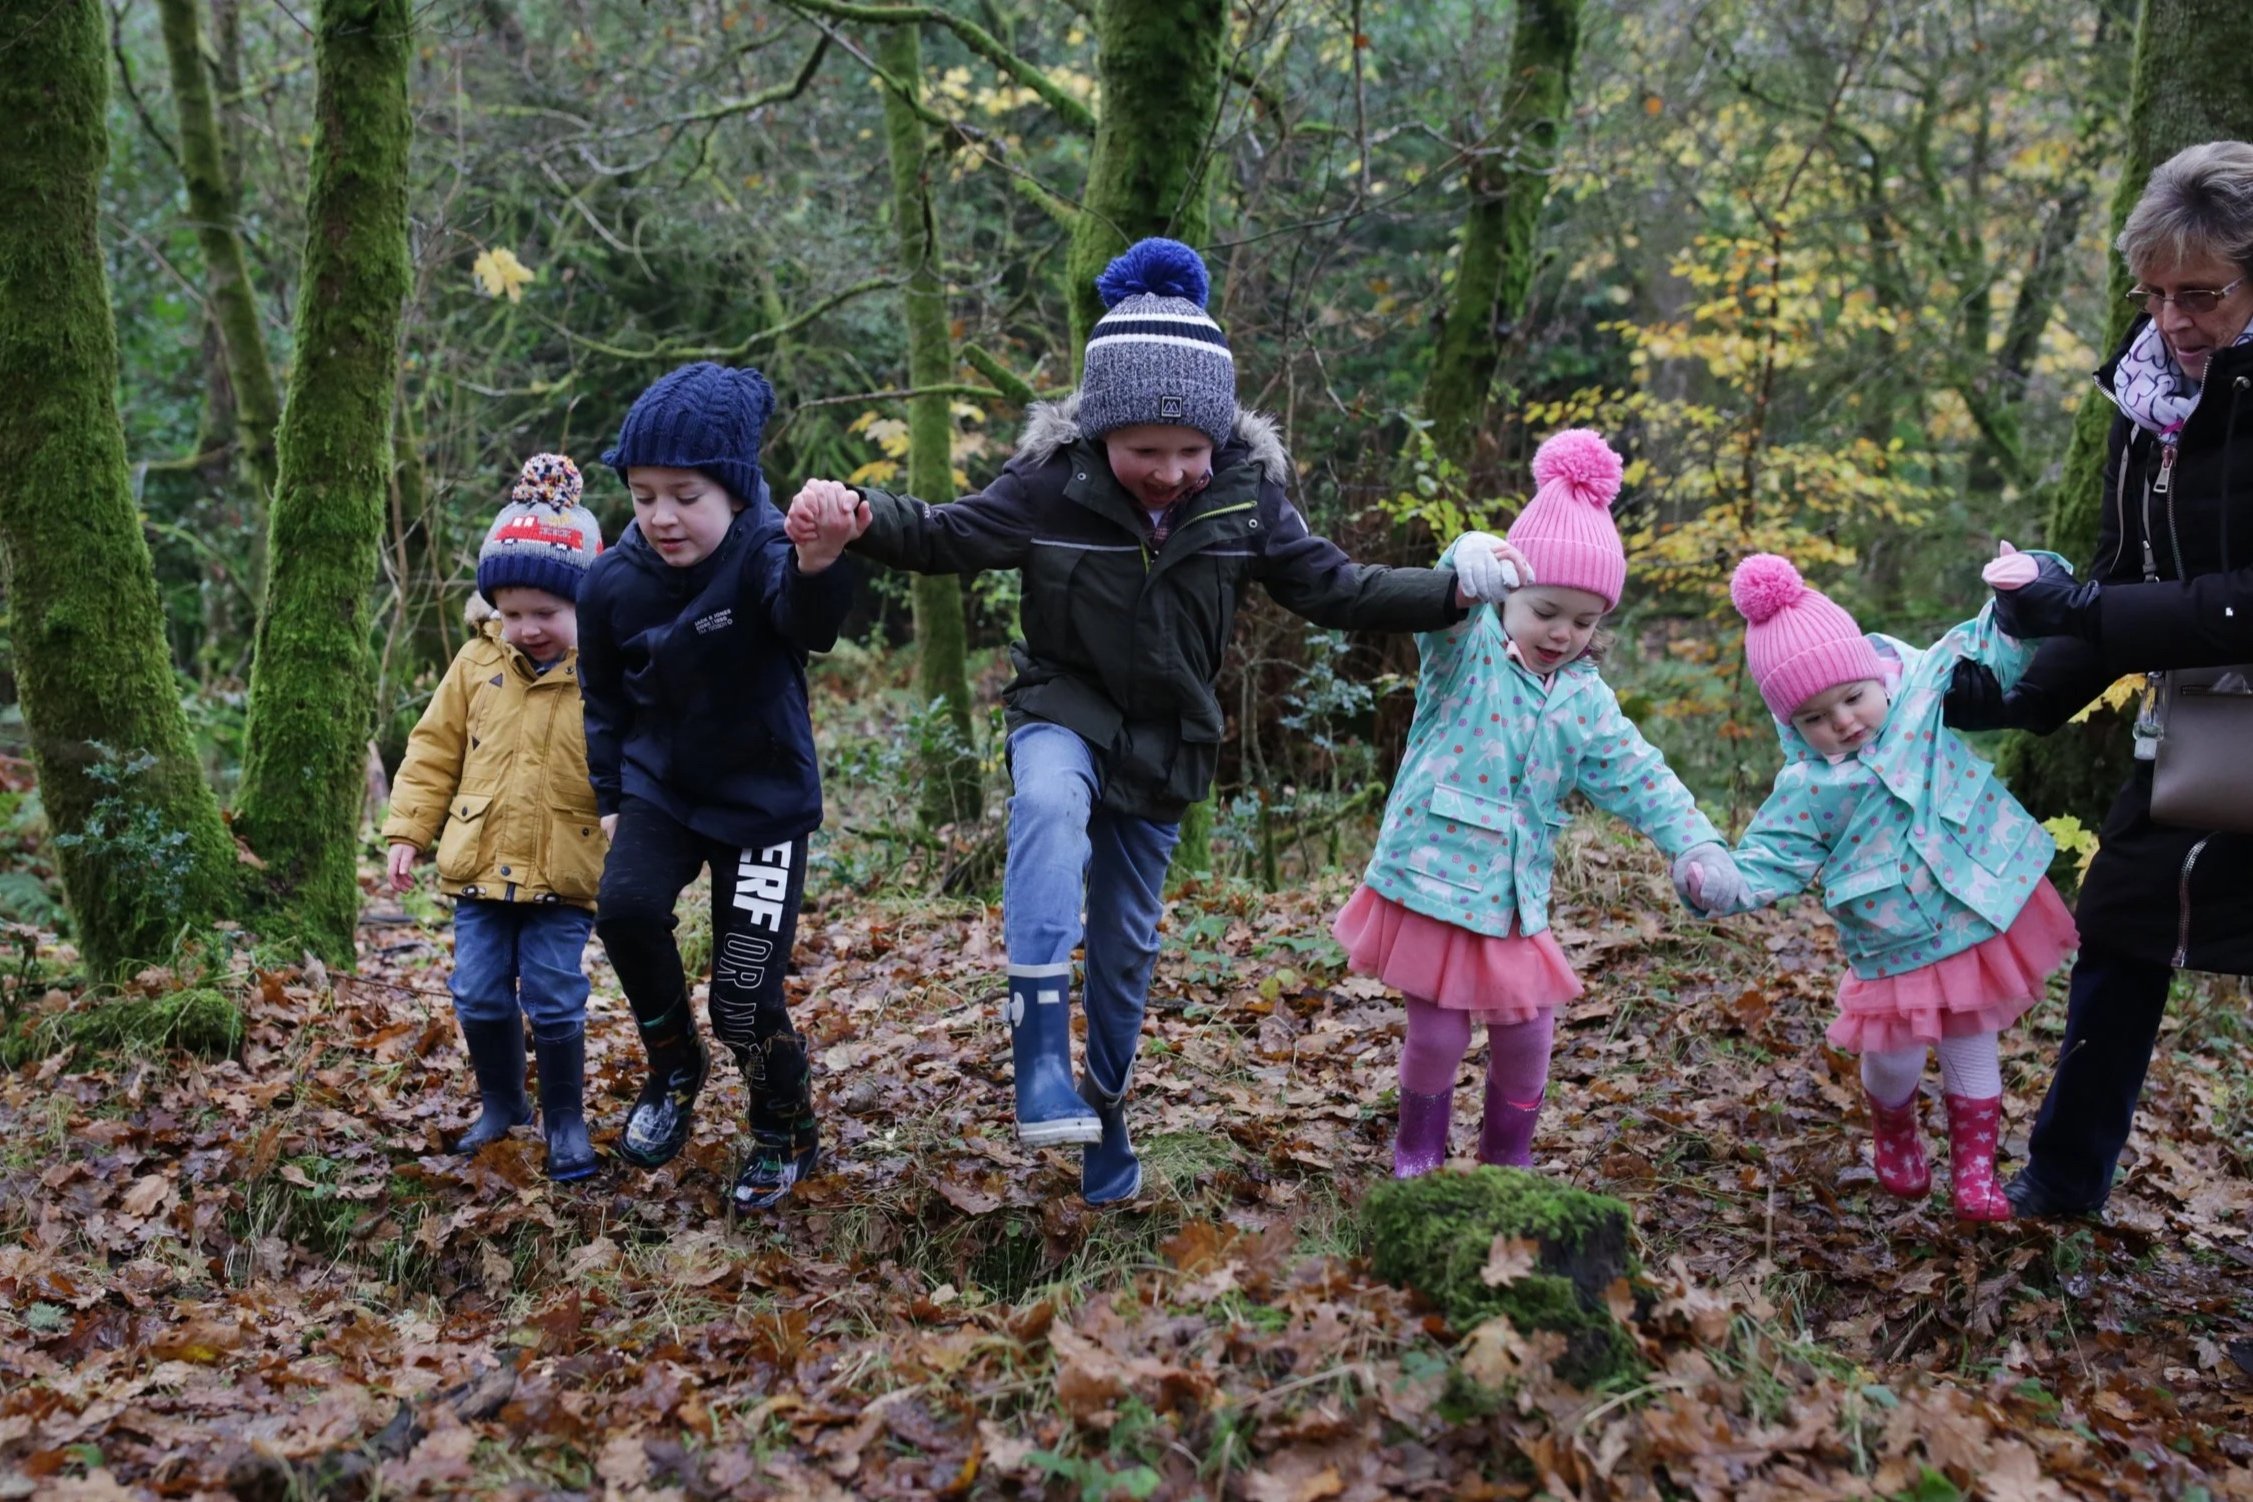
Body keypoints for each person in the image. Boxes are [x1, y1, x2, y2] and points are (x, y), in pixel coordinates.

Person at [785, 238, 1492, 1205]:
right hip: (1063, 709)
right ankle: (1037, 1053)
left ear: (1220, 439)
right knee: (1043, 804)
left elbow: (1335, 586)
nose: (1168, 471)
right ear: (1100, 434)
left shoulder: (1245, 495)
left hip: (1166, 740)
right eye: (1144, 451)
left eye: (1189, 451)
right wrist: (858, 517)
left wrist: (1451, 593)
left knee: (1126, 944)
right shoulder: (1050, 486)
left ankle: (1106, 1108)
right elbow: (947, 535)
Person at [1943, 140, 2253, 1218]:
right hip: (2205, 739)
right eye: (2156, 293)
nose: (2174, 318)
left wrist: (2090, 607)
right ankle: (2060, 1186)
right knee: (2121, 925)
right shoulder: (2147, 396)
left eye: (2204, 294)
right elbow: (2127, 577)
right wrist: (2020, 692)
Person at [1335, 429, 1738, 1177]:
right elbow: (1451, 591)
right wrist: (1468, 558)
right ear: (1509, 593)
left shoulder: (1585, 699)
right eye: (1547, 609)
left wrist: (1695, 842)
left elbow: (1638, 772)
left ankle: (1506, 1163)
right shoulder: (1465, 653)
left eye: (1584, 622)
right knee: (1438, 1031)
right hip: (1434, 879)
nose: (1563, 633)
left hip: (1515, 898)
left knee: (1528, 1031)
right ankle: (1416, 1151)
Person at [1688, 554, 2080, 1221]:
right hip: (1891, 936)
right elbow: (1770, 858)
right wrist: (1718, 881)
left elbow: (1989, 646)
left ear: (1873, 676)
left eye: (1850, 698)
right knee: (1891, 1058)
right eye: (1814, 717)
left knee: (1969, 1040)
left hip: (1969, 913)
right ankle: (1893, 1126)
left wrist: (2025, 588)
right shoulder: (1808, 788)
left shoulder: (1922, 691)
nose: (1840, 722)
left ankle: (1974, 1176)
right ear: (1790, 726)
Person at [578, 362, 859, 1214]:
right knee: (623, 912)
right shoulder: (609, 582)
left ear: (734, 491)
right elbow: (601, 696)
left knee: (742, 995)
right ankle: (674, 1071)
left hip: (763, 803)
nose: (662, 516)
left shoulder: (767, 553)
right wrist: (612, 795)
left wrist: (821, 560)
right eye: (643, 494)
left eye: (685, 494)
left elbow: (809, 627)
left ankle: (783, 1125)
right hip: (661, 786)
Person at [382, 454, 607, 1182]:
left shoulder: (607, 674)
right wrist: (409, 831)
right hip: (478, 865)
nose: (527, 629)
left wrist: (630, 826)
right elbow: (432, 748)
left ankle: (566, 1118)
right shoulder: (475, 666)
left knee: (553, 994)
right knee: (476, 990)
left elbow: (637, 758)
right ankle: (502, 1104)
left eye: (546, 613)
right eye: (511, 614)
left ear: (586, 606)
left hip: (565, 868)